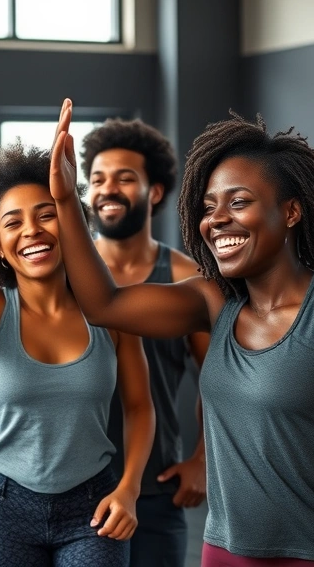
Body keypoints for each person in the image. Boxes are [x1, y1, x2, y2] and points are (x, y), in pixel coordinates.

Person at [50, 100, 314, 566]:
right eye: (208, 207)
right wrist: (65, 199)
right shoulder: (212, 302)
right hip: (220, 551)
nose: (216, 219)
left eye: (239, 202)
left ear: (291, 212)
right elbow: (104, 304)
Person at [0, 141, 155, 566]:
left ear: (71, 225)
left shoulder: (111, 311)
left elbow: (139, 407)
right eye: (13, 222)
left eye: (47, 215)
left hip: (94, 506)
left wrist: (130, 487)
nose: (32, 230)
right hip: (4, 506)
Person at [80, 119, 209, 567]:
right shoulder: (62, 276)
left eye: (124, 178)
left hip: (155, 488)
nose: (107, 189)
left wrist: (203, 459)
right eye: (97, 179)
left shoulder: (187, 278)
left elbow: (221, 378)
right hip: (71, 484)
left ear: (154, 192)